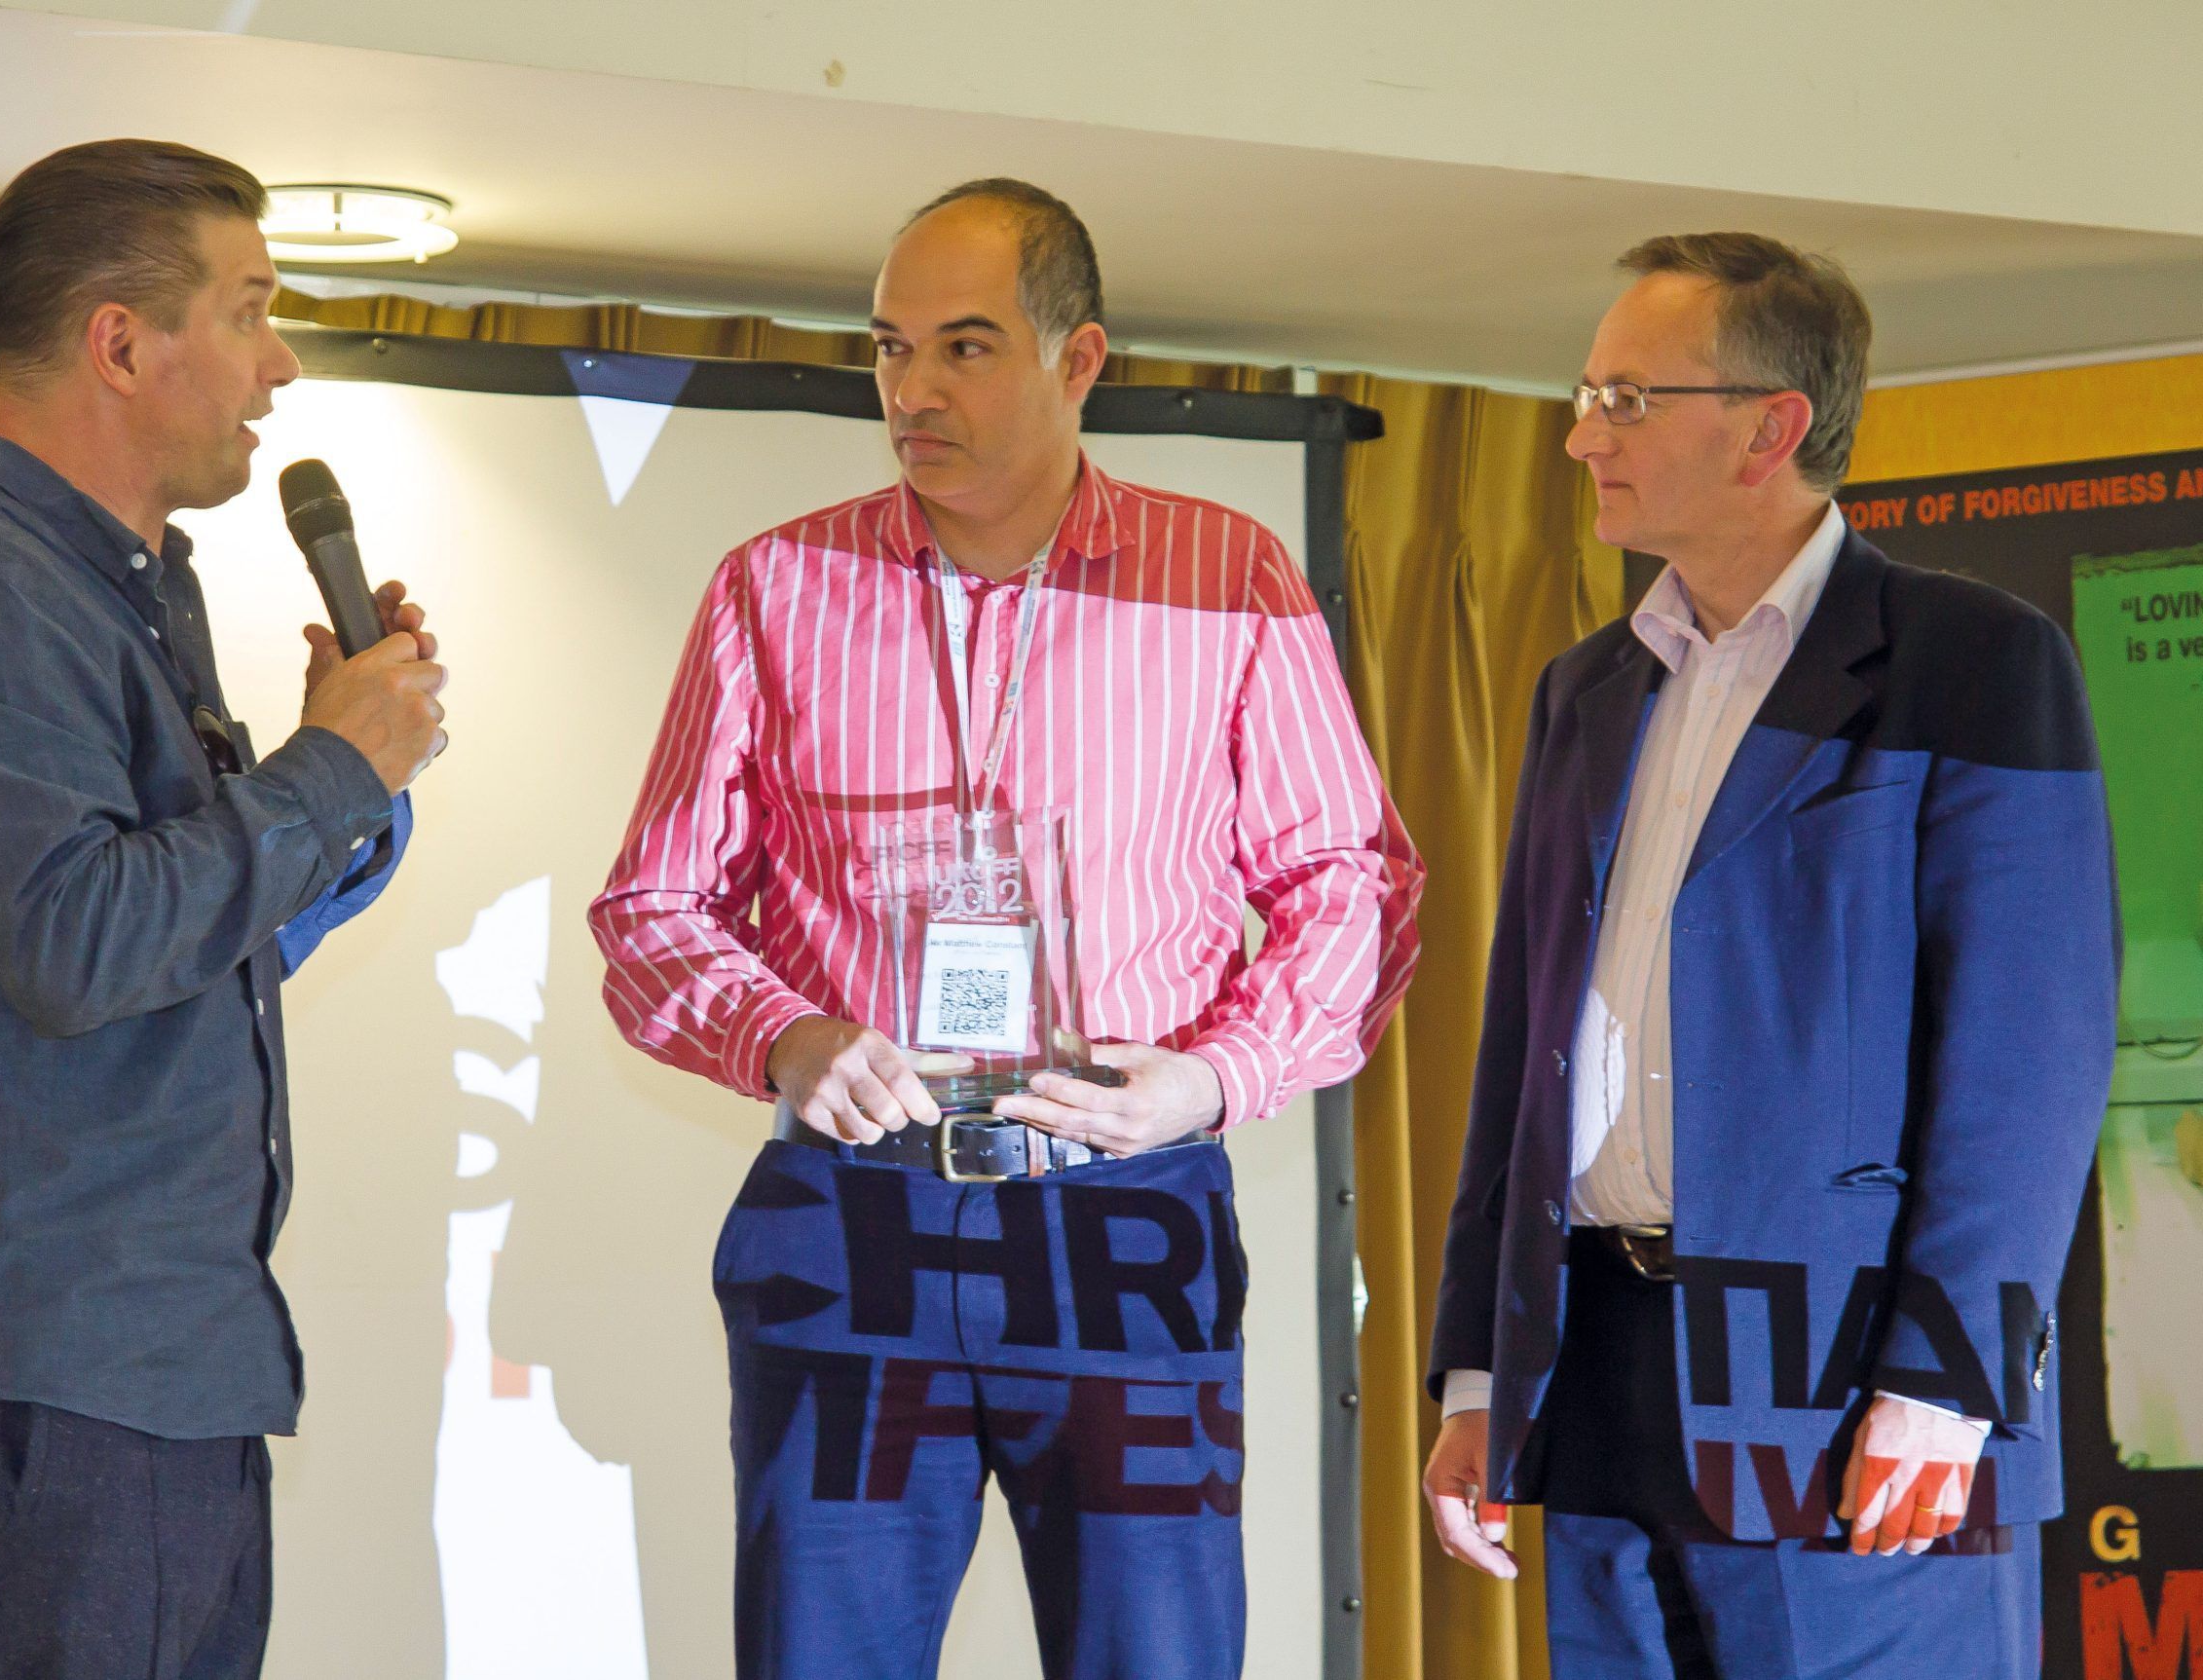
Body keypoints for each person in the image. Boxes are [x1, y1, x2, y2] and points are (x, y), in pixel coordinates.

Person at [590, 177, 1422, 1679]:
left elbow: (1351, 884)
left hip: (1124, 1206)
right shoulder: (774, 588)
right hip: (851, 1217)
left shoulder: (1227, 580)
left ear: (1078, 358)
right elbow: (652, 907)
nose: (912, 390)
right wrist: (786, 1034)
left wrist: (1212, 1079)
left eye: (964, 347)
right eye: (888, 349)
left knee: (1151, 1656)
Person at [0, 138, 448, 1680]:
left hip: (147, 1362)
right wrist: (326, 774)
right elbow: (81, 940)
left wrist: (339, 788)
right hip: (47, 1365)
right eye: (250, 310)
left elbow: (172, 955)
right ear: (119, 342)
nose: (279, 364)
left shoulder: (121, 592)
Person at [1420, 232, 2116, 1677]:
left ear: (1771, 427)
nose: (1576, 435)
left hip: (1852, 1386)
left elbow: (2029, 1062)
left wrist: (1945, 1378)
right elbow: (1523, 1048)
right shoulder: (1584, 692)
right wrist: (1481, 1367)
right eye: (1585, 392)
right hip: (1598, 1369)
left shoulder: (1971, 659)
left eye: (1626, 399)